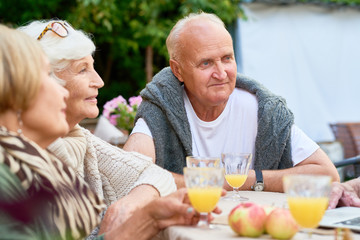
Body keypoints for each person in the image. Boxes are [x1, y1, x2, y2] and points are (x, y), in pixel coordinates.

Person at [0, 23, 203, 240]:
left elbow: (154, 175)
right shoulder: (10, 177)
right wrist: (144, 221)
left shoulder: (59, 148)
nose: (99, 81)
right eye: (44, 77)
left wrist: (148, 216)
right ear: (15, 93)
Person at [124, 12, 340, 192]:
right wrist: (219, 182)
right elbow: (129, 173)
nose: (221, 73)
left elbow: (328, 176)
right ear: (177, 70)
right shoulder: (162, 109)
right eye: (206, 63)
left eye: (227, 58)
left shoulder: (262, 110)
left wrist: (250, 179)